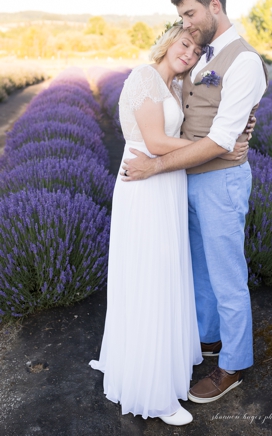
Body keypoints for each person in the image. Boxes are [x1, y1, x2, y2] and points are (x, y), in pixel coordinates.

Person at [122, 0, 269, 408]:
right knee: (198, 269)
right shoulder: (197, 55)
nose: (186, 23)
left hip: (220, 181)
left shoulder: (243, 61)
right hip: (183, 179)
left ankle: (234, 365)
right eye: (181, 17)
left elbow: (224, 139)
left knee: (227, 275)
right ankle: (208, 340)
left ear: (215, 7)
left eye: (190, 13)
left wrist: (156, 165)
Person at [91, 22, 249, 426]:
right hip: (146, 185)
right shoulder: (144, 77)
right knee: (150, 277)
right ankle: (153, 391)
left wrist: (227, 133)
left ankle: (137, 361)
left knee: (164, 274)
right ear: (167, 42)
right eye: (184, 44)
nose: (189, 54)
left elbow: (194, 125)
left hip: (166, 186)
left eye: (196, 51)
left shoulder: (177, 87)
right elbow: (157, 142)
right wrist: (219, 145)